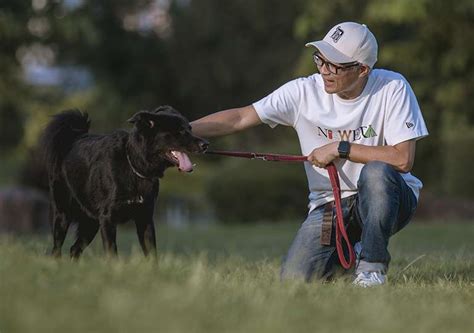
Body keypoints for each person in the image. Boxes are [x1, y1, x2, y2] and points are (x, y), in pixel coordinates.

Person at [191, 22, 428, 287]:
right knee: (294, 281)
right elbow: (240, 117)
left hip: (391, 199)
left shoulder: (393, 87)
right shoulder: (302, 91)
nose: (324, 70)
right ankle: (351, 256)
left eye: (334, 64)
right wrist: (182, 132)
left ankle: (371, 269)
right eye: (320, 60)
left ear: (362, 70)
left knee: (376, 172)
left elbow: (402, 159)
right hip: (329, 205)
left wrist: (341, 148)